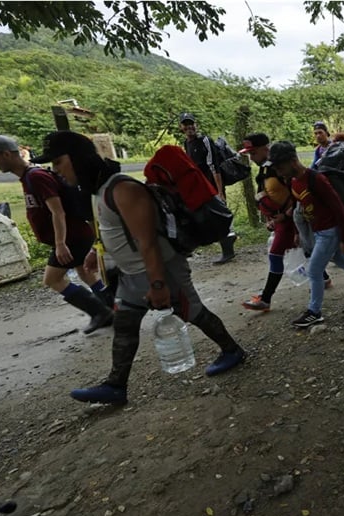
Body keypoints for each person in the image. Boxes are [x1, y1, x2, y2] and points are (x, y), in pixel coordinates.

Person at [32, 130, 247, 405]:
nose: (55, 169)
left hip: (160, 269)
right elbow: (114, 230)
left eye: (58, 161)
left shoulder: (122, 189)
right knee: (125, 325)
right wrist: (95, 252)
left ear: (76, 158)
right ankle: (115, 385)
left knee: (193, 311)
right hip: (133, 273)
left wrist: (158, 284)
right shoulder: (99, 190)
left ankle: (232, 351)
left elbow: (148, 242)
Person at [0, 134, 113, 334]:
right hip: (74, 235)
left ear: (6, 154)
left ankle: (100, 312)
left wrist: (60, 243)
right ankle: (113, 310)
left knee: (52, 279)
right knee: (86, 273)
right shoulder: (29, 177)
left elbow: (57, 211)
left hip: (70, 237)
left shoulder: (36, 177)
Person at [268, 141, 344, 328]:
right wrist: (297, 232)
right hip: (317, 230)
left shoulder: (316, 179)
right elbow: (299, 207)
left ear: (293, 160)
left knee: (314, 270)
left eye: (281, 167)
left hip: (329, 231)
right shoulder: (294, 181)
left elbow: (338, 208)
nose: (280, 173)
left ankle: (314, 312)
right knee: (341, 261)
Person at [239, 133, 297, 312]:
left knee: (276, 255)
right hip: (280, 220)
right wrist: (269, 218)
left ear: (265, 149)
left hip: (291, 220)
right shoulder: (264, 168)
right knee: (310, 254)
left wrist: (287, 216)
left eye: (253, 153)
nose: (251, 157)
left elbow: (298, 193)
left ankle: (265, 299)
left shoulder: (280, 168)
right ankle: (327, 278)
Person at [179, 112, 237, 264]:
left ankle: (228, 250)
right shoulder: (187, 143)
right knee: (206, 218)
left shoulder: (204, 140)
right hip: (200, 187)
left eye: (191, 123)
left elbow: (214, 166)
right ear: (181, 128)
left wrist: (219, 191)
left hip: (212, 186)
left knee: (219, 217)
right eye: (186, 124)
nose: (189, 127)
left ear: (196, 125)